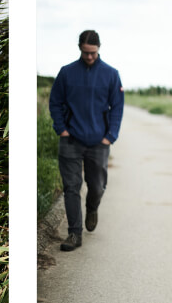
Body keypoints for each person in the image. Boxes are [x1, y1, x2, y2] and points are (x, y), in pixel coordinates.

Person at [49, 30, 124, 251]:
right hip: (70, 139)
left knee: (97, 186)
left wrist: (109, 137)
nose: (89, 57)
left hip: (98, 142)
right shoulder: (67, 73)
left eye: (92, 53)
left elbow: (117, 107)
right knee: (71, 187)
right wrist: (61, 128)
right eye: (85, 53)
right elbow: (55, 102)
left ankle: (92, 208)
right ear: (79, 48)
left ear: (99, 48)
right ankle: (74, 234)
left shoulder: (111, 74)